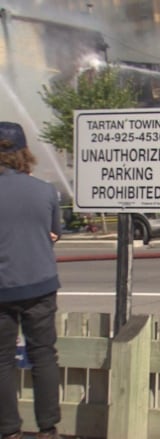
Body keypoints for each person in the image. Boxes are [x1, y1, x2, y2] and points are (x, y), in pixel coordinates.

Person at [0, 122, 61, 439]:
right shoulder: (44, 190)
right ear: (24, 151)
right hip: (39, 283)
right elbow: (55, 233)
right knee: (43, 355)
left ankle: (9, 430)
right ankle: (48, 428)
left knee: (2, 360)